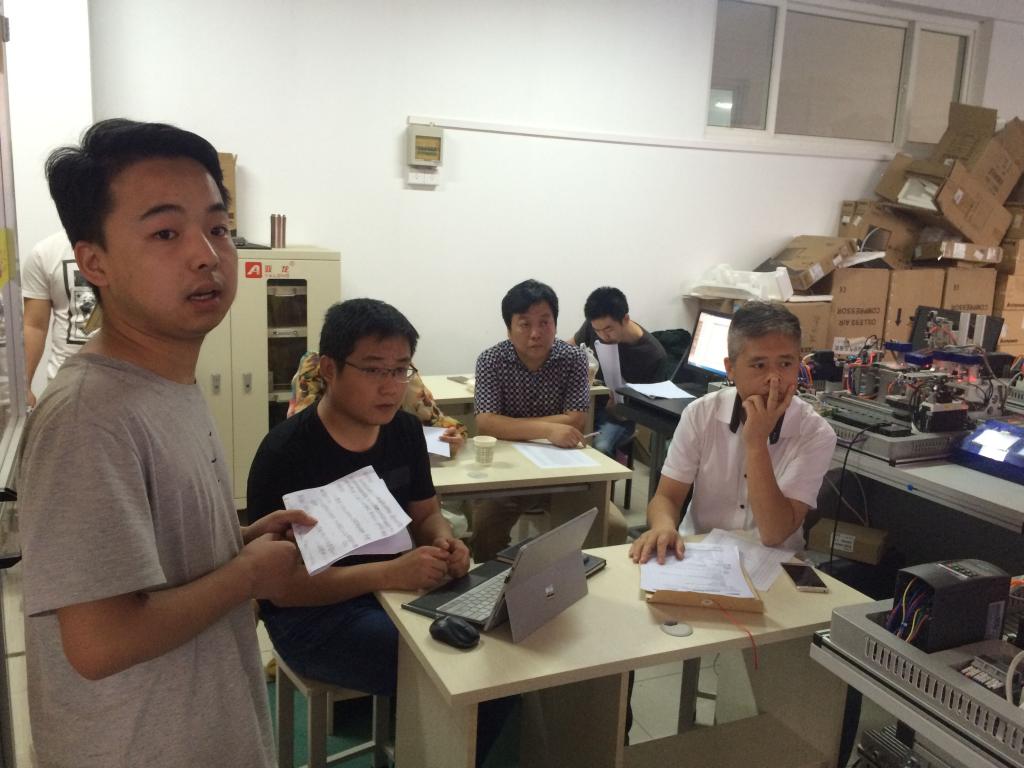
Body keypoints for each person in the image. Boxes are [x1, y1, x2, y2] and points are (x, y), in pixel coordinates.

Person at [19, 118, 314, 768]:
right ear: (94, 261)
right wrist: (248, 575)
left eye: (218, 227)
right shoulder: (89, 417)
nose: (206, 254)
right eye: (165, 233)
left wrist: (237, 542)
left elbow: (144, 563)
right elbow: (99, 642)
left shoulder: (165, 381)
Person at [630, 301, 837, 564]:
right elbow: (667, 497)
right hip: (700, 554)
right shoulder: (700, 414)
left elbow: (774, 533)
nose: (774, 379)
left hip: (775, 563)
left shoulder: (816, 433)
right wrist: (663, 526)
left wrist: (756, 442)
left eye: (785, 363)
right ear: (730, 368)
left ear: (799, 364)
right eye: (759, 365)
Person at [473, 279, 626, 561]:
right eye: (524, 324)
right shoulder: (491, 360)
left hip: (563, 471)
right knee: (485, 530)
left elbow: (575, 420)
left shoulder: (573, 359)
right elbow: (486, 423)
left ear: (555, 324)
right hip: (507, 473)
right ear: (509, 328)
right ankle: (495, 586)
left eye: (544, 322)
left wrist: (512, 425)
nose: (536, 333)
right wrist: (549, 430)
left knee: (613, 527)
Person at [571, 286, 666, 457]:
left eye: (609, 329)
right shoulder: (595, 326)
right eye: (597, 330)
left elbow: (649, 410)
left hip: (622, 417)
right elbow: (568, 348)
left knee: (600, 447)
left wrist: (621, 411)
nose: (602, 336)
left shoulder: (653, 355)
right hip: (588, 404)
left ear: (625, 319)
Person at [21, 230, 97, 406]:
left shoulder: (134, 245)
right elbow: (34, 326)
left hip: (135, 387)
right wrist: (24, 385)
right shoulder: (45, 252)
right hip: (65, 388)